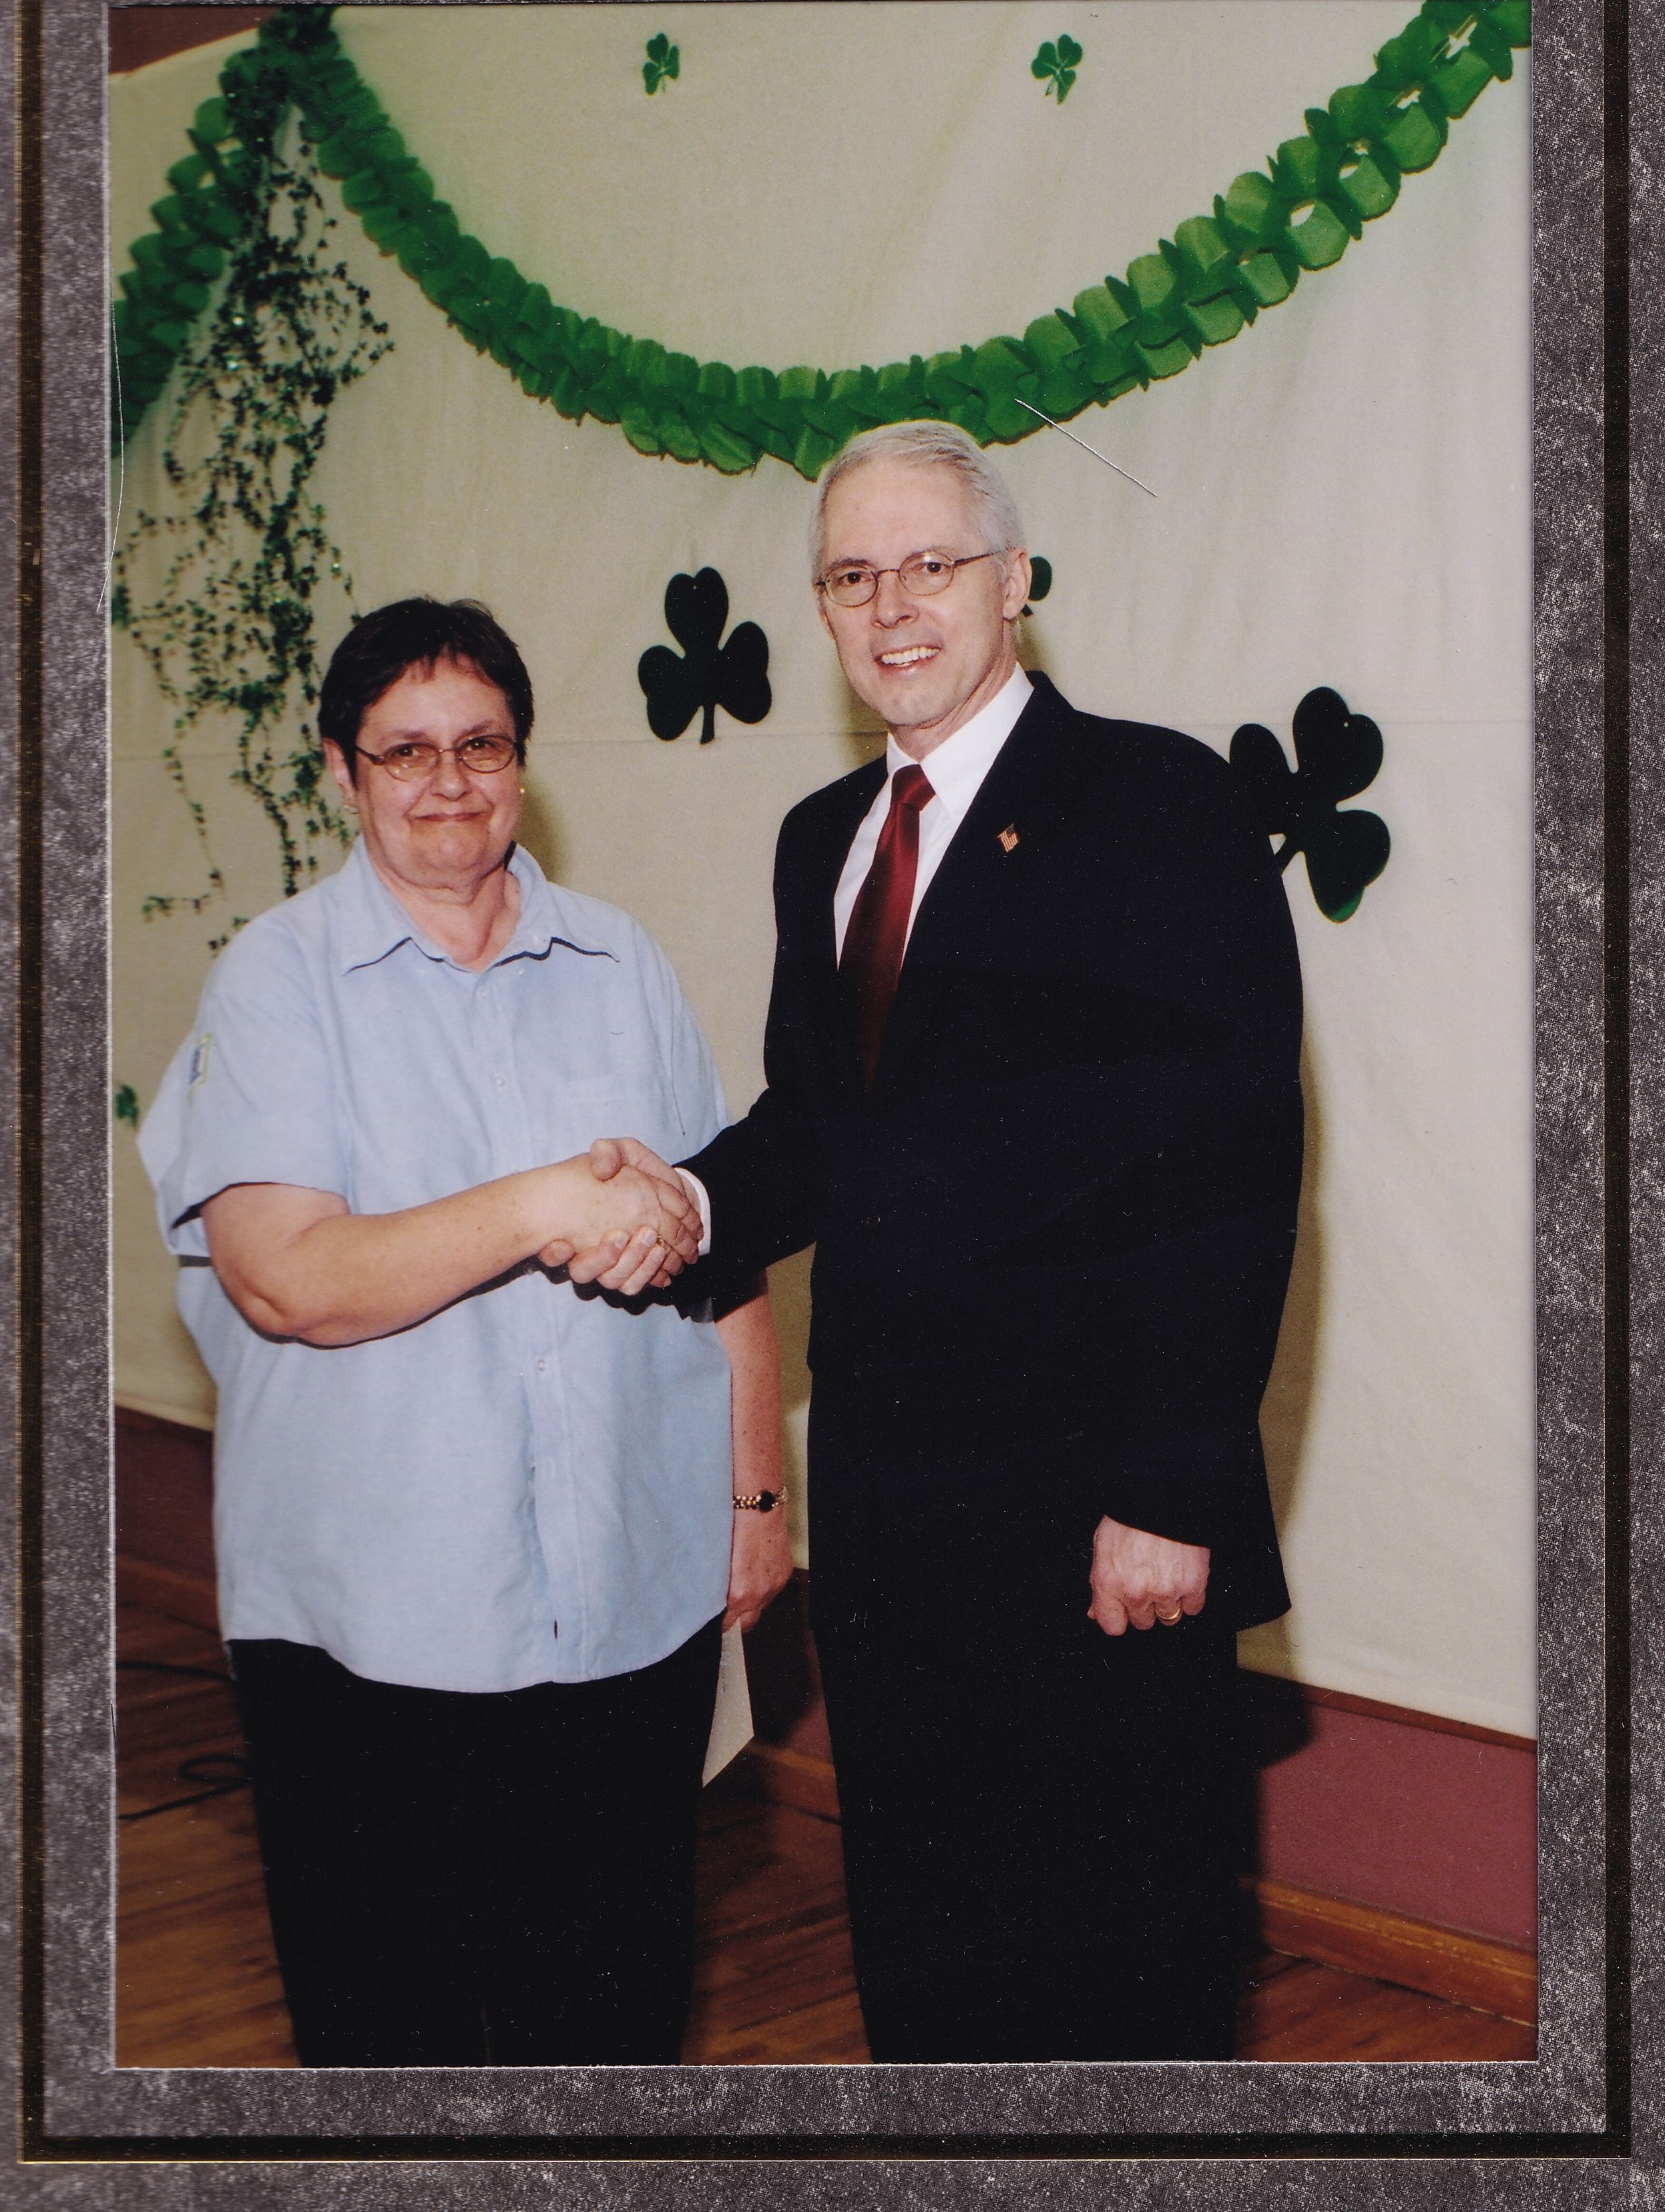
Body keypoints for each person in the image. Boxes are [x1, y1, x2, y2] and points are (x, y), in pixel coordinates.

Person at [575, 421, 1304, 2062]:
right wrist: (678, 1202)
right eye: (850, 574)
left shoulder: (1154, 801)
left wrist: (1167, 1495)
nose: (890, 605)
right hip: (899, 1539)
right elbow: (820, 1131)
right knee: (930, 1958)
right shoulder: (819, 838)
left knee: (1123, 1980)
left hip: (1100, 1531)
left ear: (1014, 581)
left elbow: (1235, 1171)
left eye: (929, 564)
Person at [138, 596, 793, 2067]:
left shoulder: (621, 963)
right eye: (405, 750)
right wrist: (543, 1201)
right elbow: (286, 1279)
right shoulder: (277, 980)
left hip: (630, 1597)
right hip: (380, 1627)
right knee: (396, 2040)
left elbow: (720, 1244)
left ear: (523, 759)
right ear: (341, 771)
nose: (448, 781)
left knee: (611, 2022)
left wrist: (753, 1496)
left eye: (480, 744)